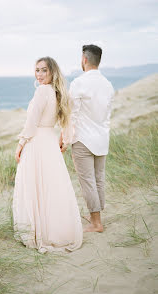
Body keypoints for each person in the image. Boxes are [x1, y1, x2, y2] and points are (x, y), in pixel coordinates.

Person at [13, 57, 83, 253]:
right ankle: (54, 230)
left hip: (37, 142)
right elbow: (67, 121)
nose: (40, 74)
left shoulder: (43, 91)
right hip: (50, 142)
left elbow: (32, 122)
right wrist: (65, 140)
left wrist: (20, 143)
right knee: (50, 187)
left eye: (44, 70)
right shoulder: (58, 92)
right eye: (37, 70)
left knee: (35, 185)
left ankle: (38, 231)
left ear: (52, 72)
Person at [65, 45, 114, 233]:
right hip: (102, 138)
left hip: (83, 139)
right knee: (98, 178)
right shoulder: (108, 85)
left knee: (87, 180)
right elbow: (108, 114)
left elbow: (72, 114)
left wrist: (65, 138)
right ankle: (96, 215)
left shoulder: (79, 83)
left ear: (84, 59)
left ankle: (96, 223)